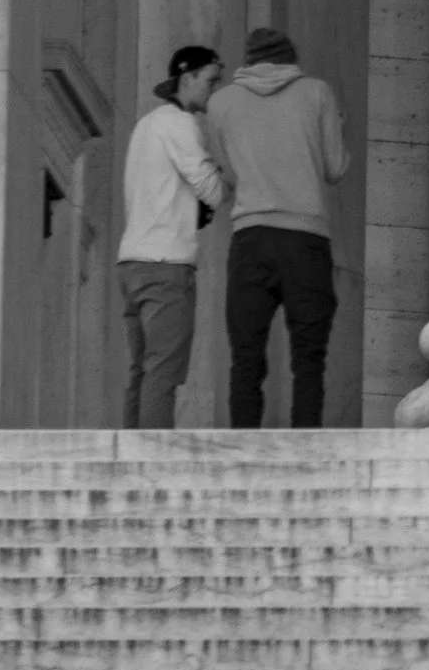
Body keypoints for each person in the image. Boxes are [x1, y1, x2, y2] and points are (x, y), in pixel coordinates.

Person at [205, 25, 348, 427]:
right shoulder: (317, 93)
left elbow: (228, 175)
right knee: (308, 357)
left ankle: (243, 445)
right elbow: (335, 168)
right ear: (290, 60)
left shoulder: (220, 103)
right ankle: (305, 442)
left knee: (246, 355)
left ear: (249, 62)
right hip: (306, 237)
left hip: (250, 237)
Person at [115, 44, 225, 428]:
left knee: (142, 371)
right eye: (210, 80)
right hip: (166, 266)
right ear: (187, 77)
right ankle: (151, 462)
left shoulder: (145, 125)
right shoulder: (179, 124)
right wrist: (220, 179)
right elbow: (209, 187)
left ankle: (131, 455)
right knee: (163, 370)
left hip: (133, 262)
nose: (213, 89)